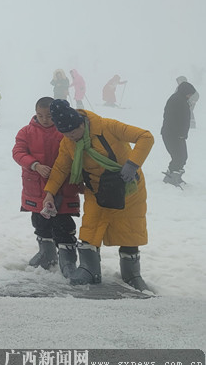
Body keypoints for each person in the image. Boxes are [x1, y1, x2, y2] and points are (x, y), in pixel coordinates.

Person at [41, 100, 153, 291]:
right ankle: (89, 269)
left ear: (81, 123)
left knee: (130, 230)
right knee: (90, 227)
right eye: (66, 134)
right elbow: (61, 168)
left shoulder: (108, 126)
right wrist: (49, 193)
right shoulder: (68, 143)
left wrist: (132, 164)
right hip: (96, 190)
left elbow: (145, 137)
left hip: (127, 187)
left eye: (73, 132)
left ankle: (132, 274)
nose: (70, 137)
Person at [12, 97, 81, 277]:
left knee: (63, 222)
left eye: (49, 116)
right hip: (36, 186)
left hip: (64, 186)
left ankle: (68, 259)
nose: (44, 119)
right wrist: (34, 165)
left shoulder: (65, 131)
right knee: (40, 221)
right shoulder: (26, 132)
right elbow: (18, 152)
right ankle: (47, 253)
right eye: (40, 115)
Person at [161, 80, 197, 187]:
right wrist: (178, 133)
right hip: (172, 134)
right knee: (178, 156)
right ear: (185, 91)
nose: (190, 96)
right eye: (189, 93)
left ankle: (175, 176)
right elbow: (171, 118)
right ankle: (171, 178)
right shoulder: (176, 100)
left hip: (178, 135)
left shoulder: (181, 100)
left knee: (182, 156)